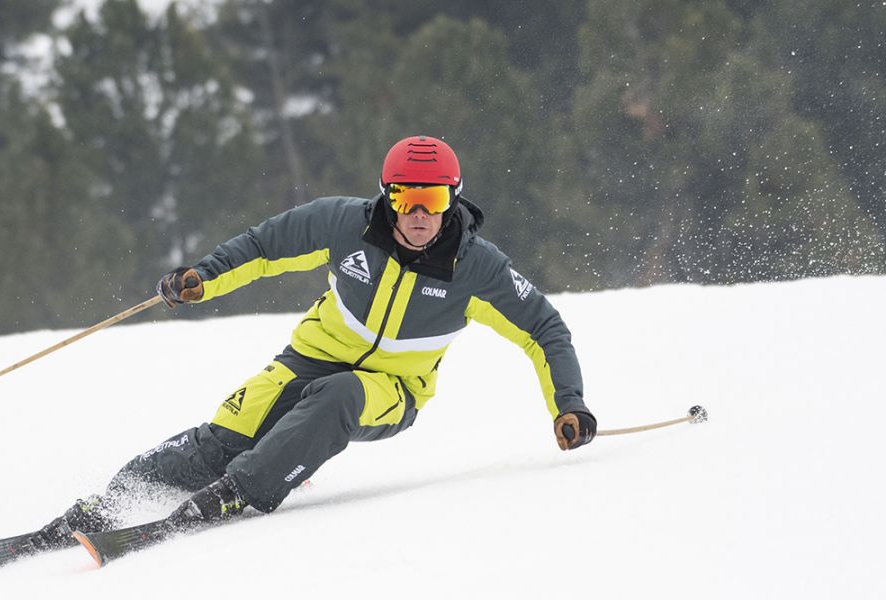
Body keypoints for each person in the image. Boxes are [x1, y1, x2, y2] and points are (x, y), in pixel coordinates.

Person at [33, 134, 596, 546]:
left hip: (391, 389)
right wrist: (202, 279)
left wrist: (568, 404)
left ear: (454, 199)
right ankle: (104, 506)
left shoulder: (477, 268)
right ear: (386, 196)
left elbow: (544, 329)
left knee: (340, 397)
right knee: (221, 438)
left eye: (434, 200)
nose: (420, 214)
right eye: (405, 199)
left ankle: (240, 492)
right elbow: (263, 247)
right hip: (309, 357)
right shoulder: (343, 224)